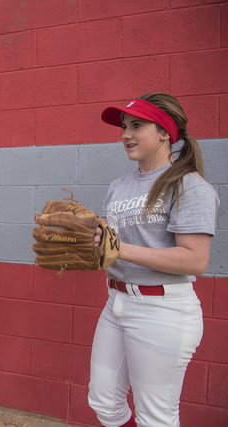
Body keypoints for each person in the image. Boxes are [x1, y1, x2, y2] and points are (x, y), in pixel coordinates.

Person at [88, 93, 219, 427]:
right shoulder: (119, 186)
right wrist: (86, 241)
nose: (125, 135)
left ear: (165, 132)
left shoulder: (188, 184)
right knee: (104, 402)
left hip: (163, 310)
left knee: (155, 418)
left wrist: (119, 248)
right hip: (116, 301)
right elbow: (109, 248)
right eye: (123, 127)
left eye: (136, 126)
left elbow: (195, 260)